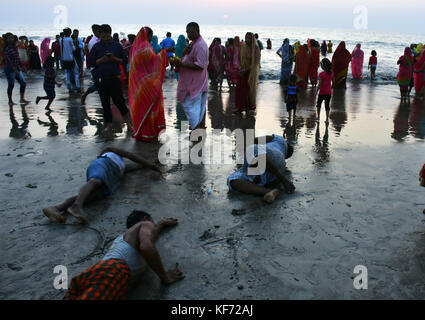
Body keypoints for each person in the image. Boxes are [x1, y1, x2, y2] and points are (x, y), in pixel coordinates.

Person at [64, 210, 184, 300]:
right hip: (114, 271)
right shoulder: (146, 224)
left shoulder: (125, 238)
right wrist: (165, 277)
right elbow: (147, 247)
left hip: (93, 273)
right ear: (146, 218)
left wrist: (161, 224)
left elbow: (151, 236)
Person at [42, 146, 160, 224]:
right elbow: (132, 156)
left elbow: (137, 165)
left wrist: (152, 162)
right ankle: (77, 206)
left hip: (111, 176)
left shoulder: (122, 166)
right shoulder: (108, 152)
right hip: (103, 166)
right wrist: (151, 165)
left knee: (93, 195)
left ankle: (57, 208)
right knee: (95, 181)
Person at [88, 24, 133, 133]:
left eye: (107, 36)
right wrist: (102, 60)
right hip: (102, 79)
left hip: (115, 78)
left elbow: (124, 60)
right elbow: (91, 62)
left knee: (120, 102)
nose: (106, 39)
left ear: (110, 34)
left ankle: (128, 124)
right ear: (100, 35)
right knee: (105, 103)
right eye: (103, 37)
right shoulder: (96, 47)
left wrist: (114, 59)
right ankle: (109, 125)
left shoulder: (117, 46)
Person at [227, 134, 295, 204]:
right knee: (232, 179)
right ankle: (268, 192)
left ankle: (281, 180)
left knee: (253, 149)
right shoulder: (283, 159)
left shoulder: (280, 139)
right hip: (275, 172)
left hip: (273, 157)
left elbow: (254, 141)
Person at [129, 27, 168, 141]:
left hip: (138, 83)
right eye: (151, 35)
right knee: (149, 108)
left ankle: (141, 132)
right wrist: (163, 53)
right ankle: (148, 133)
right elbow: (153, 62)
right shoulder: (145, 46)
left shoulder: (135, 47)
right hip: (147, 84)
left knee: (141, 107)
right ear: (148, 35)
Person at [172, 22, 209, 130]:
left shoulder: (200, 45)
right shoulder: (193, 44)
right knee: (198, 109)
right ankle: (198, 130)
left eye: (191, 32)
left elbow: (200, 65)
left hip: (196, 84)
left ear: (198, 31)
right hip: (193, 83)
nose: (189, 35)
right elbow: (189, 59)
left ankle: (197, 131)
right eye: (187, 32)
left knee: (193, 109)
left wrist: (181, 64)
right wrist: (183, 54)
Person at [234, 32, 260, 115]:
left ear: (252, 39)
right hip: (242, 71)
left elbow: (256, 62)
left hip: (250, 73)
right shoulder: (243, 46)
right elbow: (239, 58)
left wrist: (247, 70)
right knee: (240, 90)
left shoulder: (255, 48)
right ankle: (240, 108)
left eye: (249, 38)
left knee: (248, 91)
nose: (247, 40)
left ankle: (248, 108)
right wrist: (241, 69)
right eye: (246, 38)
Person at [3, 33, 29, 105]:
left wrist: (22, 66)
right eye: (9, 38)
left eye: (12, 38)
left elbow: (17, 58)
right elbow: (8, 61)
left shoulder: (14, 47)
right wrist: (14, 70)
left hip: (17, 68)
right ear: (6, 40)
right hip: (9, 69)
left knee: (23, 83)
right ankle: (10, 101)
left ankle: (22, 99)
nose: (11, 39)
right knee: (11, 84)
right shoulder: (6, 49)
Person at [81, 25, 101, 105]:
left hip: (99, 66)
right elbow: (94, 56)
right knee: (98, 85)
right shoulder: (93, 42)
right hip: (96, 67)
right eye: (99, 31)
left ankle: (85, 95)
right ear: (95, 31)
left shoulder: (99, 40)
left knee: (98, 85)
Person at [61, 28, 81, 93]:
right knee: (76, 73)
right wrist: (75, 44)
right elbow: (73, 49)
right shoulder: (69, 39)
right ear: (70, 33)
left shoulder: (61, 39)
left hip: (64, 59)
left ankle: (69, 87)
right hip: (71, 58)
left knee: (67, 73)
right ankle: (78, 87)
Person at [315, 58, 334, 124]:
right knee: (327, 105)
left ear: (323, 66)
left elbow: (319, 84)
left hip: (322, 92)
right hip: (329, 92)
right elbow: (333, 82)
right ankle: (327, 119)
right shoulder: (332, 73)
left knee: (318, 104)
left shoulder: (321, 74)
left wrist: (317, 90)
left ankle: (318, 117)